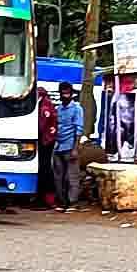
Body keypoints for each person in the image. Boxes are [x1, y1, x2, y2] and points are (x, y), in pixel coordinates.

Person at [52, 83, 85, 211]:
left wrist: (75, 148)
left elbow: (79, 129)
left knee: (72, 176)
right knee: (58, 177)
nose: (65, 95)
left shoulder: (77, 109)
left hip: (70, 146)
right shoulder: (58, 109)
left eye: (67, 93)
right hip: (58, 147)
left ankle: (73, 202)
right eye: (63, 93)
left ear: (71, 94)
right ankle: (62, 202)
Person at [35, 84, 59, 207]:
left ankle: (46, 199)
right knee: (43, 168)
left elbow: (42, 125)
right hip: (45, 140)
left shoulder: (45, 106)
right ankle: (42, 197)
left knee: (45, 169)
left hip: (46, 141)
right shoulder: (43, 104)